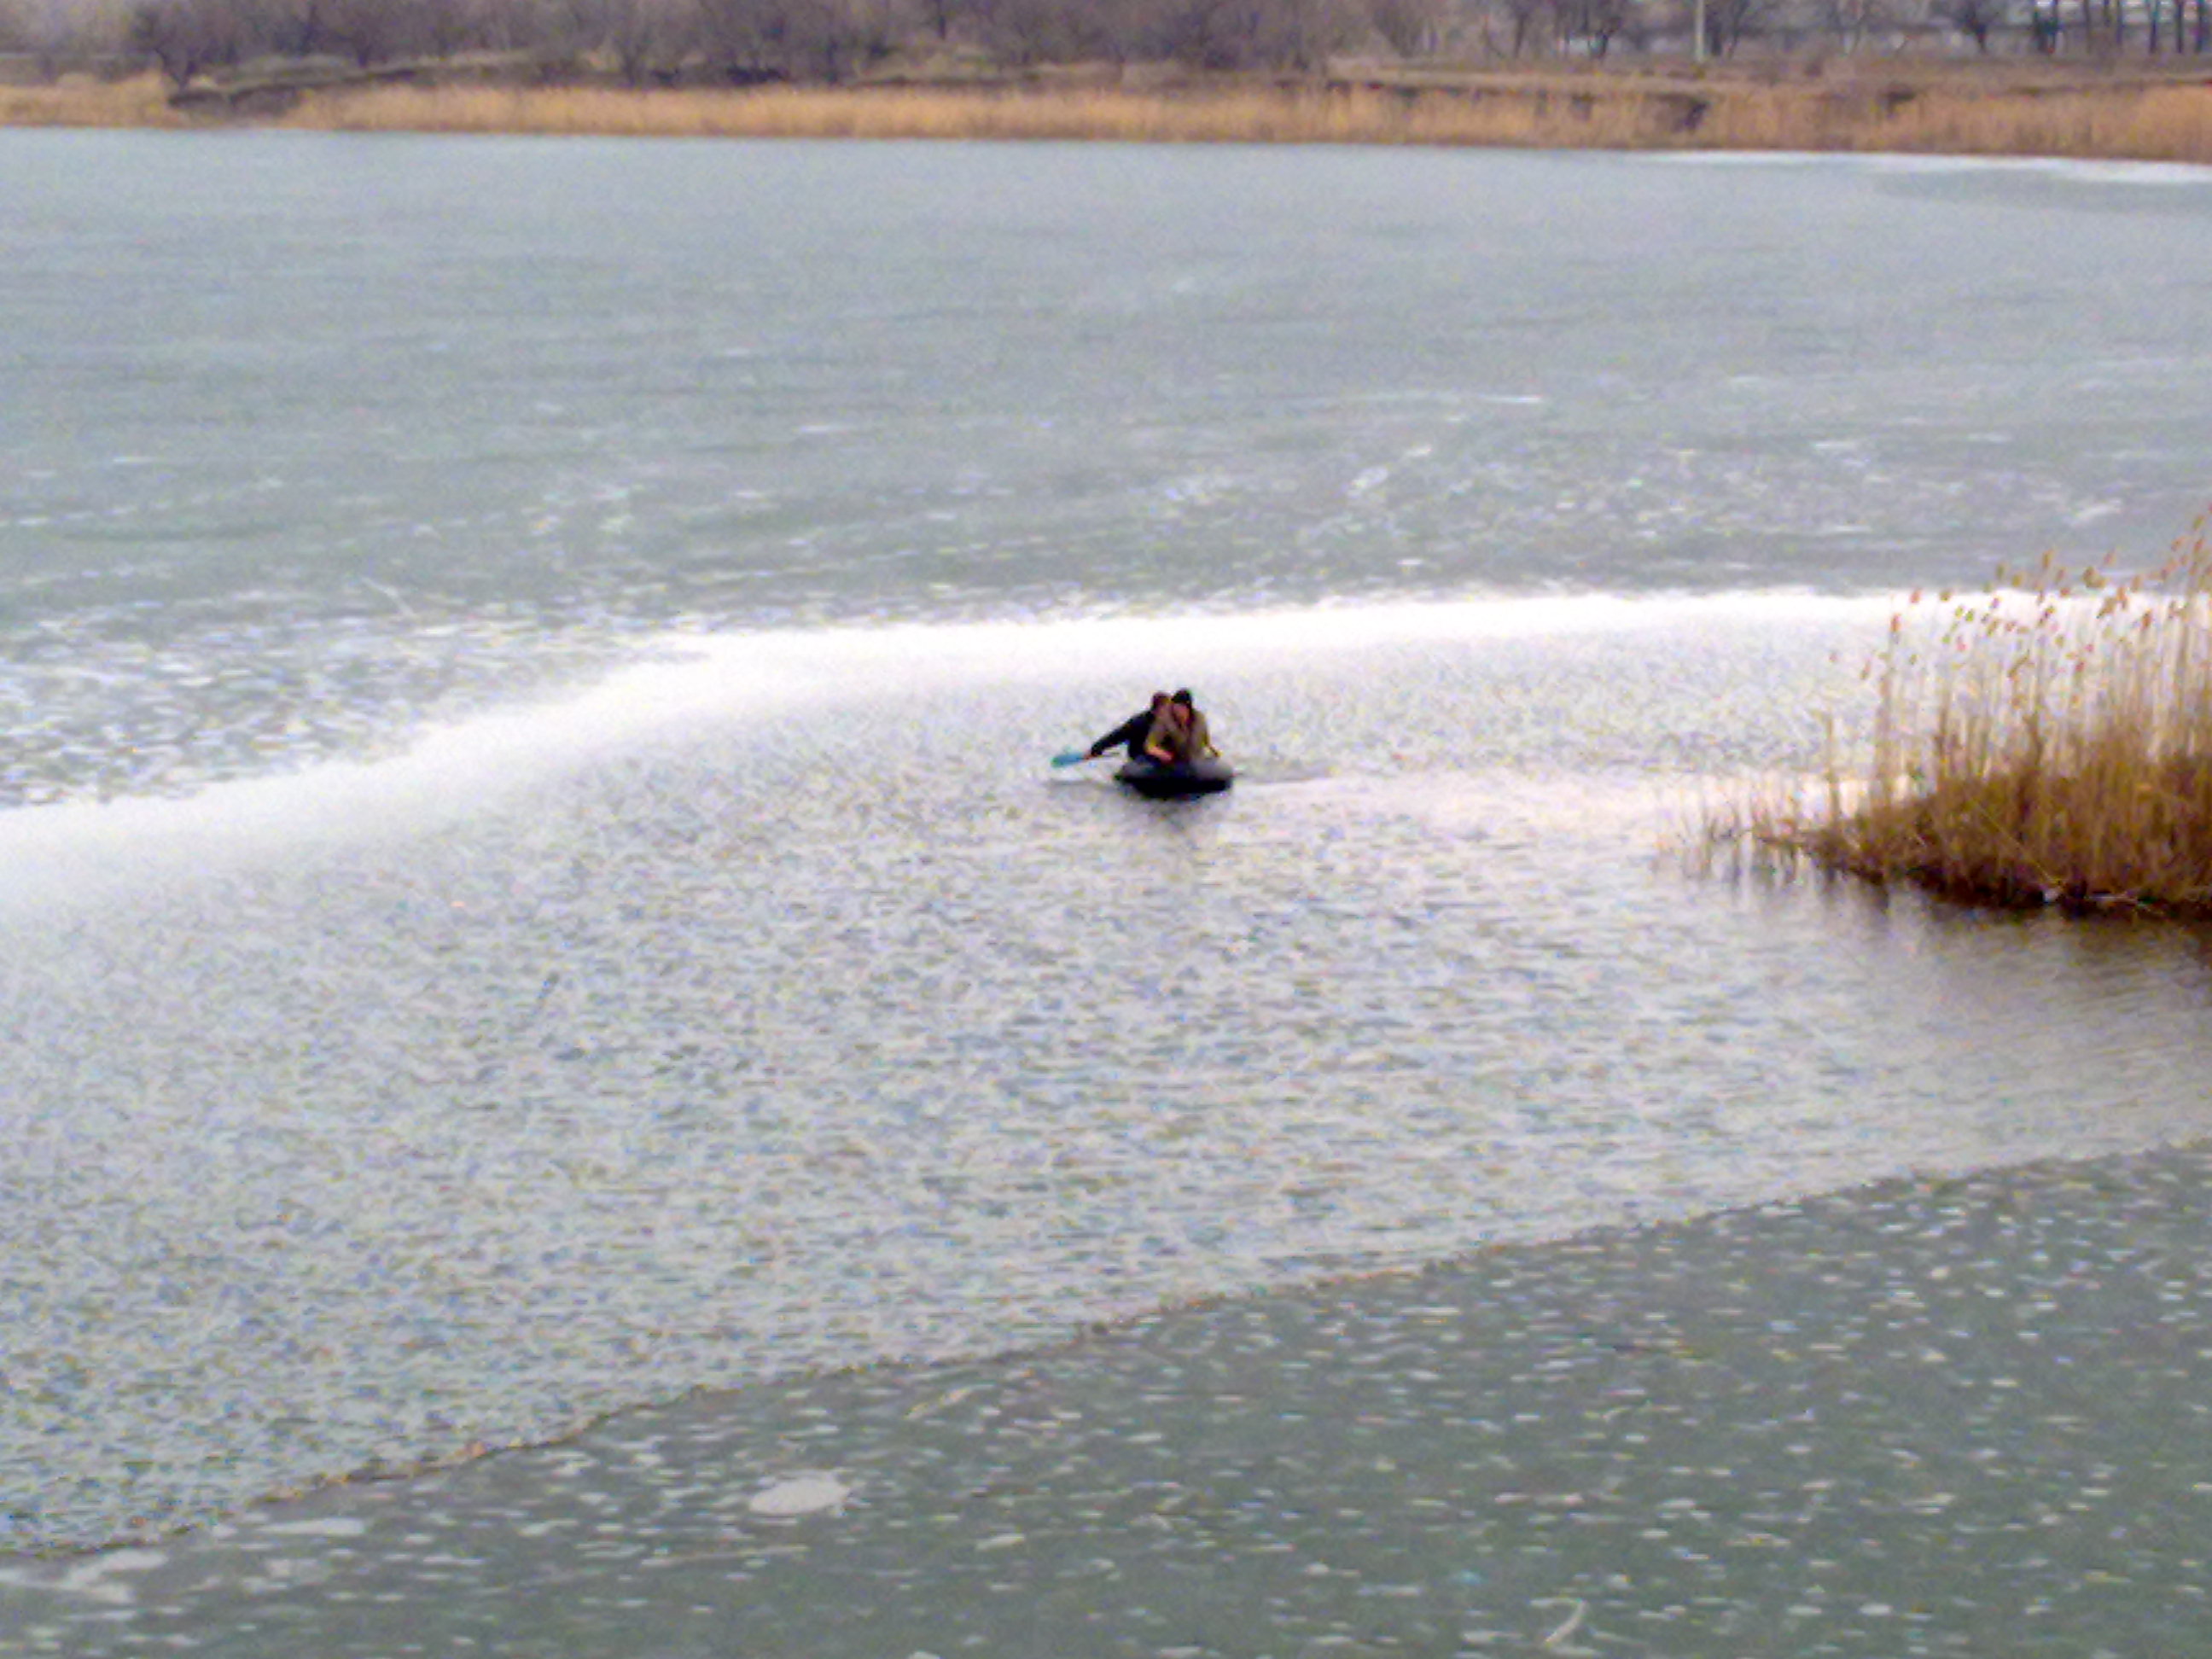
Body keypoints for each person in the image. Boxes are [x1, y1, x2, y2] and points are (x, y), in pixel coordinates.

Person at [1086, 691, 1173, 762]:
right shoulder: (1139, 722)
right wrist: (1096, 749)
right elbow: (1117, 736)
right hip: (1141, 758)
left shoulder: (1169, 721)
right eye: (1168, 708)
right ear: (1158, 708)